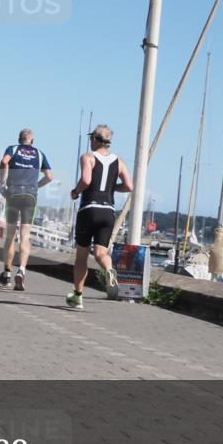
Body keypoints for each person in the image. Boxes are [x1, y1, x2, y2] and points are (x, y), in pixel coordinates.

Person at [67, 125, 133, 309]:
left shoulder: (88, 157)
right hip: (108, 212)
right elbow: (129, 186)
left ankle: (78, 297)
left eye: (91, 138)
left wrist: (75, 192)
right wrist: (112, 188)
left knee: (81, 257)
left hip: (89, 209)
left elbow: (86, 180)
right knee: (101, 253)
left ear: (95, 140)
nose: (90, 141)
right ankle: (109, 270)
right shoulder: (119, 161)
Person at [0, 129, 52, 291]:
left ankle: (7, 273)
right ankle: (21, 270)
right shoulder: (39, 154)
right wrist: (37, 186)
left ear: (19, 139)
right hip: (30, 196)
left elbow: (4, 162)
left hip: (13, 194)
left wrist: (2, 182)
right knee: (25, 235)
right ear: (32, 141)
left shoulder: (13, 149)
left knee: (10, 236)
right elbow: (49, 177)